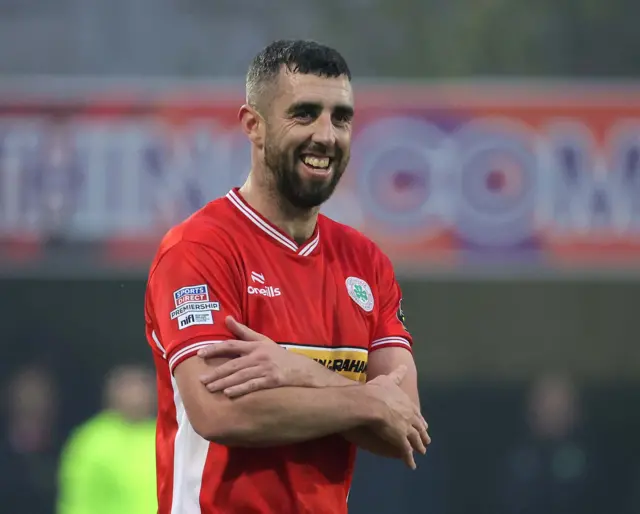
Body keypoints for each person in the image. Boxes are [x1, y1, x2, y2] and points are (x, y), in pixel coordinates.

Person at [145, 39, 431, 514]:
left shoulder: (367, 262)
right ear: (253, 126)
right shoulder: (198, 249)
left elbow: (404, 424)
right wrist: (365, 399)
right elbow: (219, 411)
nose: (326, 134)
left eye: (341, 118)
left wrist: (302, 372)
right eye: (304, 113)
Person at [56, 365, 157, 514]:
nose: (136, 395)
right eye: (128, 386)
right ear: (112, 392)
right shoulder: (91, 440)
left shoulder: (168, 434)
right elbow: (79, 501)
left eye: (143, 385)